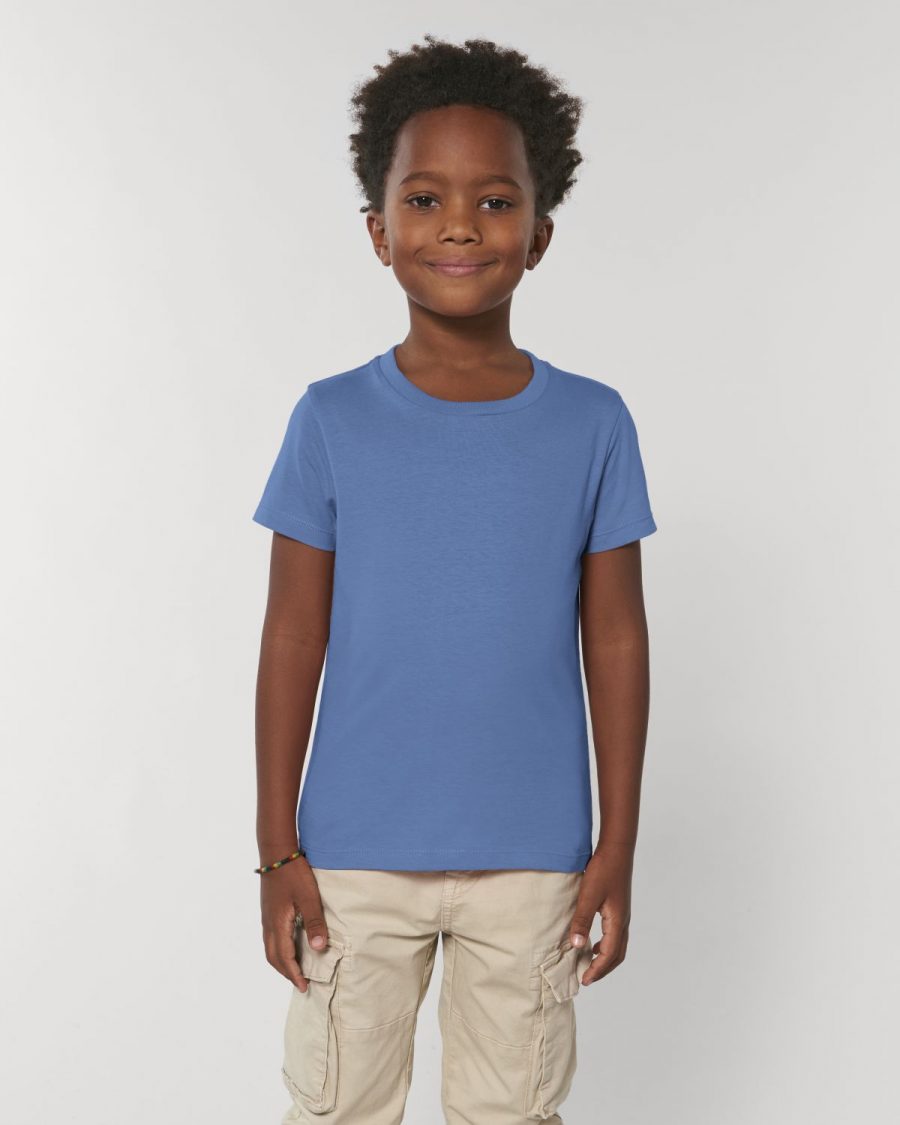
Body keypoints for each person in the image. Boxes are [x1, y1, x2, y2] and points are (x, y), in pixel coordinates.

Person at [251, 34, 658, 1125]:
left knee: (511, 1112)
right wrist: (277, 849)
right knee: (337, 1107)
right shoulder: (331, 418)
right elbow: (292, 635)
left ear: (540, 233)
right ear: (380, 231)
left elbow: (616, 638)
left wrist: (617, 846)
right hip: (352, 860)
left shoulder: (593, 423)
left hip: (533, 863)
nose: (461, 227)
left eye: (495, 201)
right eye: (425, 199)